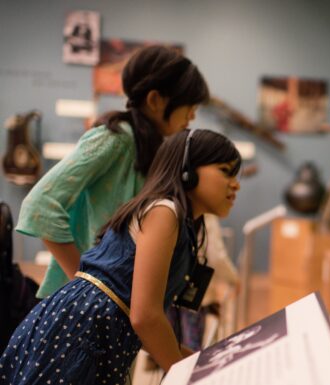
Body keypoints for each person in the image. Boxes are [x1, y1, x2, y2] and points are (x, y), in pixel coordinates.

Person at [0, 129, 242, 384]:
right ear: (188, 171)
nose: (235, 184)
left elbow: (140, 319)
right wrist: (193, 374)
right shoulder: (165, 212)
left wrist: (196, 361)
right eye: (225, 171)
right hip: (76, 338)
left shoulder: (181, 223)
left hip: (88, 336)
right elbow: (145, 317)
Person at [16, 44, 209, 299]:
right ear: (154, 100)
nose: (192, 115)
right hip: (84, 311)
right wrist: (85, 284)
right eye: (188, 105)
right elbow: (40, 205)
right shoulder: (115, 139)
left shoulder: (148, 146)